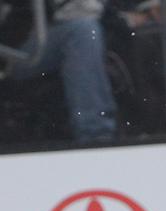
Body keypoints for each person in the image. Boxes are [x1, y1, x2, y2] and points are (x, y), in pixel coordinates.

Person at [0, 0, 117, 143]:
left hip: (57, 34)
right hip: (14, 49)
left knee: (87, 31)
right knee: (83, 32)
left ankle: (137, 127)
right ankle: (95, 137)